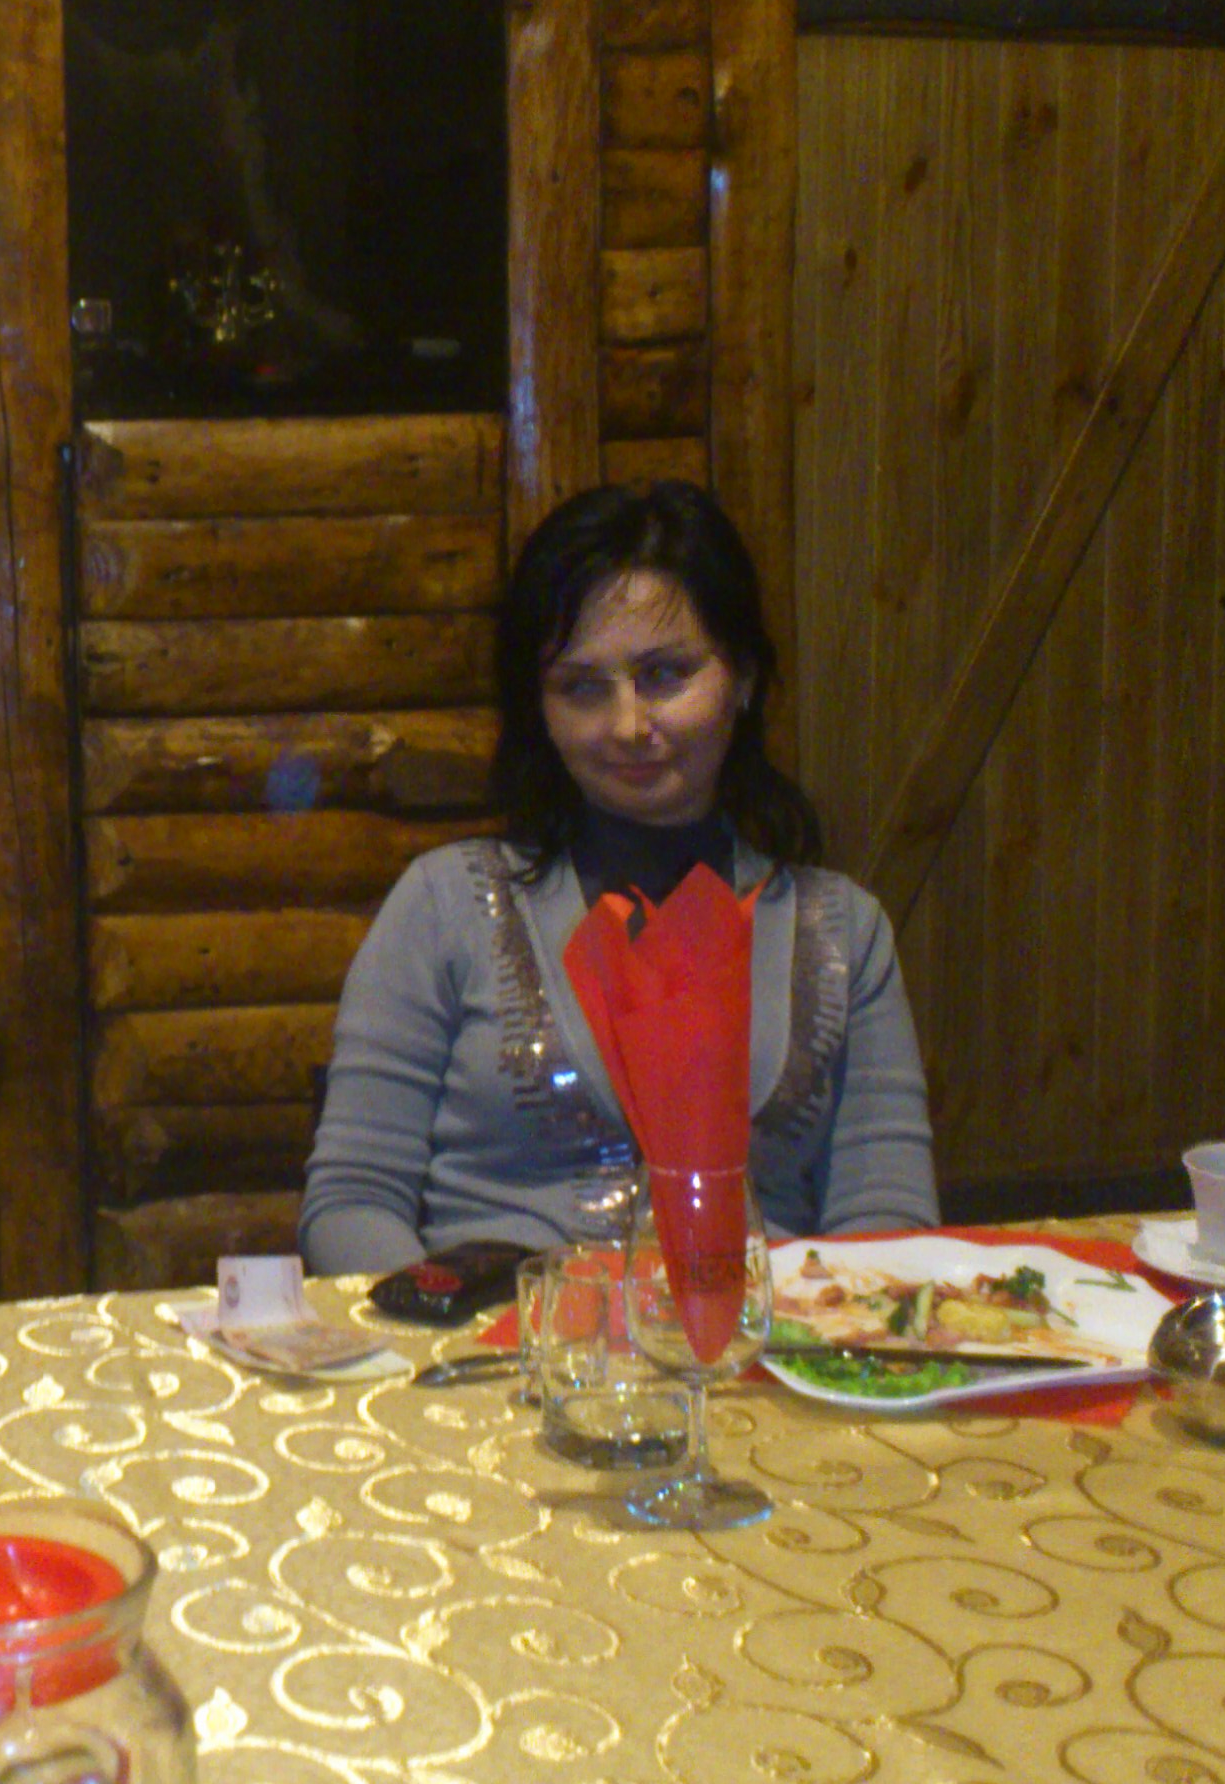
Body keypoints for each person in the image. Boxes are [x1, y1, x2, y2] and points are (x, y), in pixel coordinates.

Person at [301, 479, 938, 1272]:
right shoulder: (445, 903)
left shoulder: (844, 932)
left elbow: (888, 1224)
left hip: (767, 1342)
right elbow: (352, 1203)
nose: (629, 725)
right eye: (582, 687)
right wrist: (450, 1326)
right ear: (539, 707)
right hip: (492, 1337)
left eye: (665, 675)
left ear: (742, 677)